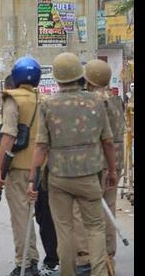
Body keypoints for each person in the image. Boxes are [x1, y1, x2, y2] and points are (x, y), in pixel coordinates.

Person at [27, 52, 117, 276]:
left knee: (64, 230)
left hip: (59, 178)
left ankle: (68, 272)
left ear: (57, 78)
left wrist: (32, 179)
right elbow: (107, 141)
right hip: (89, 176)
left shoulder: (48, 105)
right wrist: (113, 170)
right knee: (95, 228)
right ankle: (100, 273)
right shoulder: (96, 102)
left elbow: (40, 146)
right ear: (80, 75)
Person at [72, 60, 126, 274]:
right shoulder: (115, 99)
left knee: (83, 211)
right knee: (109, 208)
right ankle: (108, 255)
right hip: (116, 161)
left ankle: (85, 257)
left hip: (97, 162)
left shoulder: (92, 101)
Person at [0, 56, 42, 276]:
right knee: (36, 214)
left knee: (21, 216)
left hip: (20, 166)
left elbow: (8, 137)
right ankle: (34, 257)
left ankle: (25, 262)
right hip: (43, 166)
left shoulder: (13, 99)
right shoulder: (42, 99)